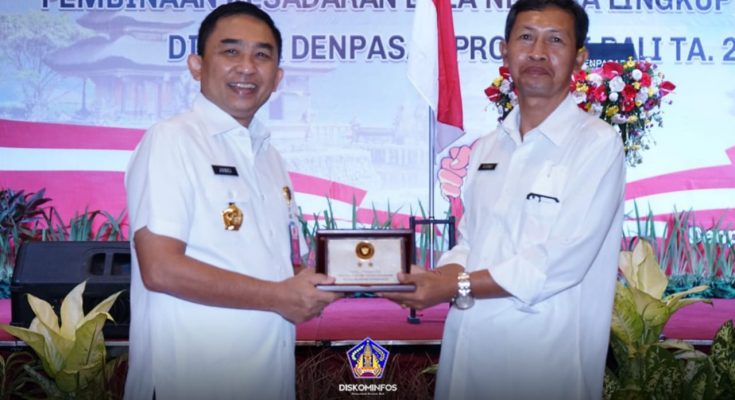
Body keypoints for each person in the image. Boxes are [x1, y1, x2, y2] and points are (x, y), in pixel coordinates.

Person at [383, 0, 625, 399]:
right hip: (469, 352)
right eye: (526, 37)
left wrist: (454, 285)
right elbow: (470, 242)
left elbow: (560, 260)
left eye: (555, 40)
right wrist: (431, 280)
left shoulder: (597, 144)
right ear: (504, 50)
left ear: (579, 58)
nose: (538, 52)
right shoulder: (488, 147)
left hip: (546, 362)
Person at [123, 3, 340, 399]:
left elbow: (263, 261)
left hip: (265, 378)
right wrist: (280, 296)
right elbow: (160, 268)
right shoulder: (172, 140)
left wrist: (324, 278)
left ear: (278, 76)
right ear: (196, 65)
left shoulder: (270, 157)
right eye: (230, 51)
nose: (247, 67)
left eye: (262, 55)